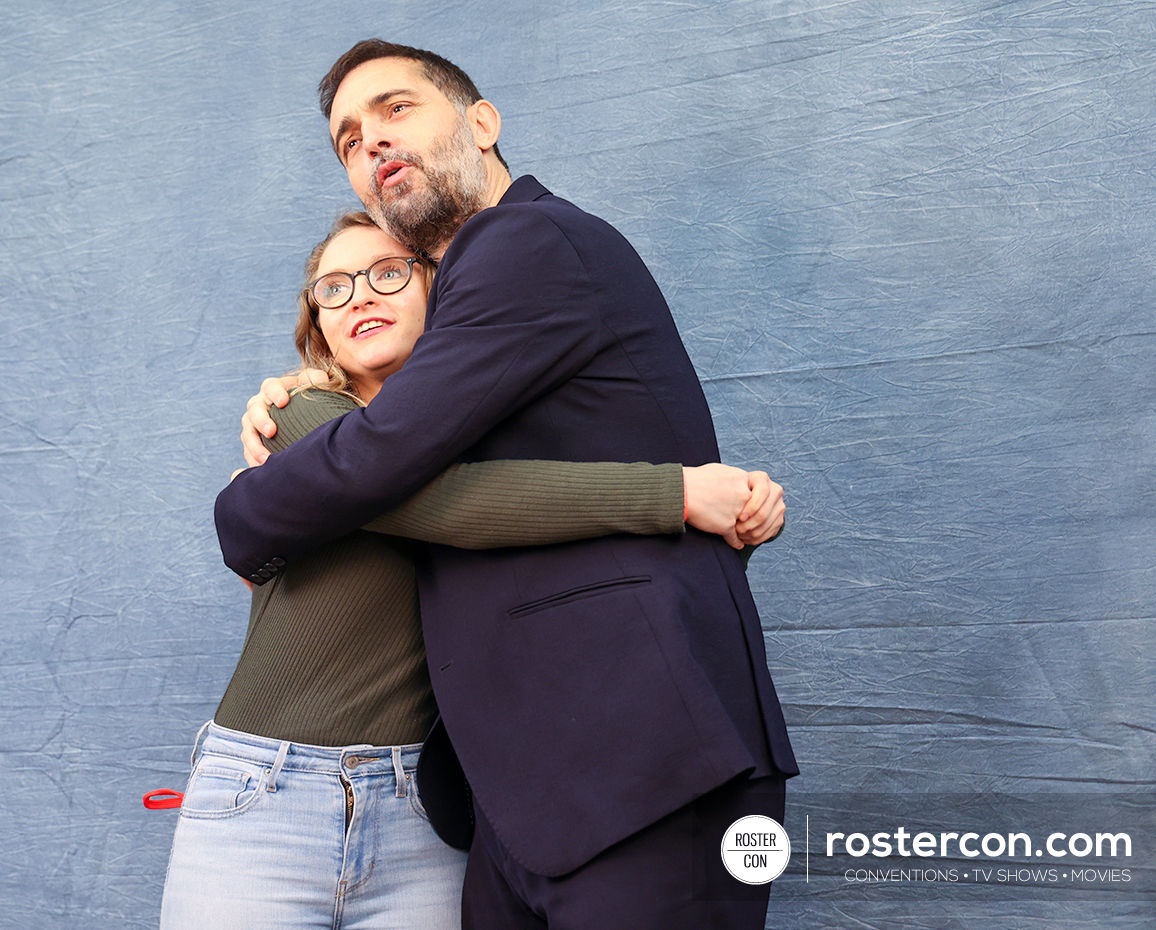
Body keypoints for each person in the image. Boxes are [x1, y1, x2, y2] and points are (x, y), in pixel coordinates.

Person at [217, 40, 798, 929]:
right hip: (529, 796)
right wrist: (304, 396)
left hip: (641, 758)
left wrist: (246, 507)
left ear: (482, 124)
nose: (370, 142)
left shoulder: (525, 241)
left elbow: (390, 461)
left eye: (397, 110)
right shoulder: (453, 310)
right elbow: (422, 455)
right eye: (347, 139)